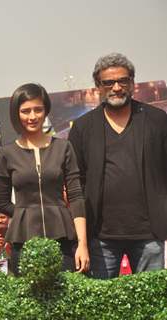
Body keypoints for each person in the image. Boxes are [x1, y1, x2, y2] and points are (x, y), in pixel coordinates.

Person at [68, 53, 167, 279]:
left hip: (149, 234)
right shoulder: (83, 128)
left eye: (123, 81)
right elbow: (75, 182)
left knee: (150, 305)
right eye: (108, 82)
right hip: (100, 237)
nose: (116, 87)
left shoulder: (157, 120)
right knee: (101, 307)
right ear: (97, 86)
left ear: (132, 83)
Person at [0, 83, 89, 276]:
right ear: (16, 113)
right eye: (25, 111)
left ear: (46, 111)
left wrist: (82, 244)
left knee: (66, 298)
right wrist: (26, 213)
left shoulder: (63, 147)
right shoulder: (6, 153)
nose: (32, 116)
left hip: (63, 236)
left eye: (38, 109)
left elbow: (76, 196)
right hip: (23, 240)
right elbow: (2, 202)